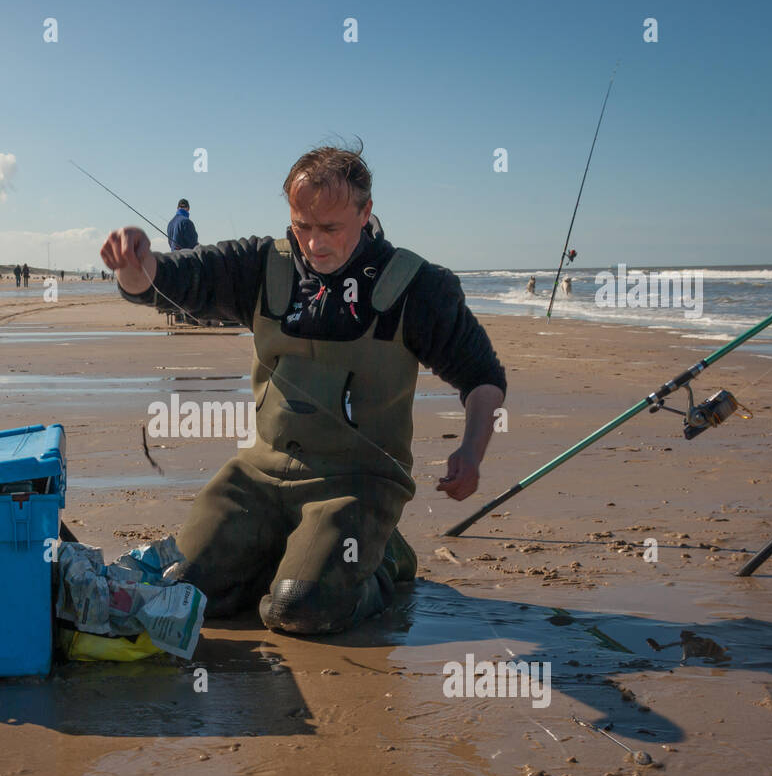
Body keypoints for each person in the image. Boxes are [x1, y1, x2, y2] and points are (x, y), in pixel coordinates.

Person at [101, 143, 507, 635]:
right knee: (182, 589)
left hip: (358, 483)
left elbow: (481, 375)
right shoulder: (260, 264)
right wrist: (135, 264)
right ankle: (290, 548)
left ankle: (382, 559)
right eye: (302, 225)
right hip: (257, 475)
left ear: (365, 214)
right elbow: (176, 279)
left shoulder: (416, 286)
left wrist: (471, 450)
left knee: (297, 609)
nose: (314, 243)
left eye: (330, 228)